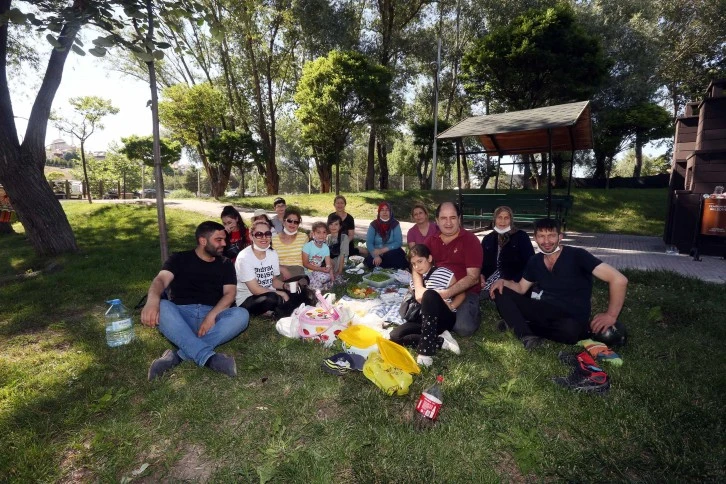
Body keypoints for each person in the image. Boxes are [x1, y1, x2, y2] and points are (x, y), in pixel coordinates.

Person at [489, 218, 628, 350]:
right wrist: (503, 282)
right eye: (541, 236)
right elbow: (520, 288)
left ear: (560, 237)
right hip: (545, 310)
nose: (546, 241)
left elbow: (619, 279)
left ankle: (518, 323)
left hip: (571, 317)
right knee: (499, 290)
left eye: (551, 235)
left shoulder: (577, 256)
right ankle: (526, 336)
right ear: (535, 238)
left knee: (570, 332)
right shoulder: (535, 261)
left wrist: (611, 315)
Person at [141, 221, 250, 380]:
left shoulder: (225, 264)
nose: (224, 244)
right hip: (180, 317)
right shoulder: (179, 258)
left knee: (242, 314)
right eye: (218, 240)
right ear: (203, 241)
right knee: (162, 306)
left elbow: (229, 294)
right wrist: (152, 300)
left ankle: (179, 356)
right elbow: (160, 280)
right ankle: (209, 359)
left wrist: (211, 316)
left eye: (224, 240)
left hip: (213, 318)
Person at [390, 244, 463, 366]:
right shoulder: (416, 278)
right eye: (413, 264)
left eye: (420, 261)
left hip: (443, 318)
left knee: (429, 294)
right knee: (394, 336)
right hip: (423, 320)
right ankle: (440, 341)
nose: (417, 266)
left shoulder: (444, 273)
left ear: (429, 258)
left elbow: (461, 293)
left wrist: (452, 306)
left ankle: (425, 350)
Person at [424, 202, 484, 336]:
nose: (448, 223)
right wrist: (419, 290)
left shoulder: (470, 240)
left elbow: (473, 278)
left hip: (465, 291)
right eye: (443, 218)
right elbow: (416, 265)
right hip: (436, 287)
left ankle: (475, 310)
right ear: (437, 221)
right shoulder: (430, 240)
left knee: (463, 328)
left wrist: (445, 294)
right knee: (414, 314)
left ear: (459, 219)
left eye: (452, 218)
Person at [235, 220, 307, 317]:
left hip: (269, 291)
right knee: (273, 298)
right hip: (249, 299)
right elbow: (255, 290)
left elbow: (273, 281)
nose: (264, 237)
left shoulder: (272, 253)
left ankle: (288, 308)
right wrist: (281, 293)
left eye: (267, 234)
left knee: (300, 284)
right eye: (259, 234)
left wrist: (285, 286)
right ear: (251, 236)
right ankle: (283, 310)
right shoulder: (244, 257)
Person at [479, 206, 535, 296]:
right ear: (495, 219)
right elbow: (481, 262)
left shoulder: (521, 237)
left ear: (511, 220)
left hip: (514, 282)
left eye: (506, 218)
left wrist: (514, 281)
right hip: (490, 279)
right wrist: (481, 274)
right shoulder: (488, 239)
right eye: (499, 217)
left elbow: (530, 263)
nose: (503, 221)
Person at [364, 202, 408, 270]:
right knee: (370, 261)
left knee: (396, 256)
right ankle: (388, 266)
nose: (385, 212)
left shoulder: (395, 224)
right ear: (379, 212)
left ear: (390, 212)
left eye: (387, 210)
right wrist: (375, 256)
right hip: (377, 252)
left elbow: (398, 242)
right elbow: (369, 243)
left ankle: (385, 266)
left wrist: (382, 250)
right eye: (382, 210)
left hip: (391, 251)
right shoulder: (373, 224)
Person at [271, 206, 308, 279]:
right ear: (283, 222)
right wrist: (282, 269)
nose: (292, 224)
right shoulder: (274, 239)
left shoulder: (304, 237)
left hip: (297, 270)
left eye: (296, 222)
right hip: (279, 270)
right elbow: (270, 260)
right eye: (289, 221)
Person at [302, 221, 335, 289]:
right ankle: (316, 285)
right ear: (313, 233)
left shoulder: (326, 247)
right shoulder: (307, 246)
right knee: (318, 286)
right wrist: (321, 269)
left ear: (327, 234)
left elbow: (328, 264)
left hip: (318, 271)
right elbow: (305, 264)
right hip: (307, 272)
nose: (321, 235)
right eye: (318, 232)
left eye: (324, 232)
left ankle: (322, 284)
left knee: (326, 277)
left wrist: (332, 277)